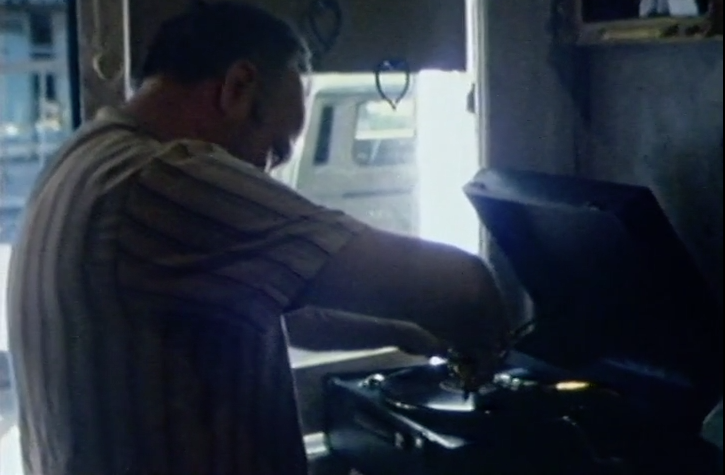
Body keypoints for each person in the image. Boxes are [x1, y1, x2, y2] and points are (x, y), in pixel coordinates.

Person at [7, 2, 510, 474]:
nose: (265, 173)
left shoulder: (87, 156)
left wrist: (405, 331)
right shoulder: (163, 178)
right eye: (273, 150)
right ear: (238, 86)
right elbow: (464, 286)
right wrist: (485, 344)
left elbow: (292, 315)